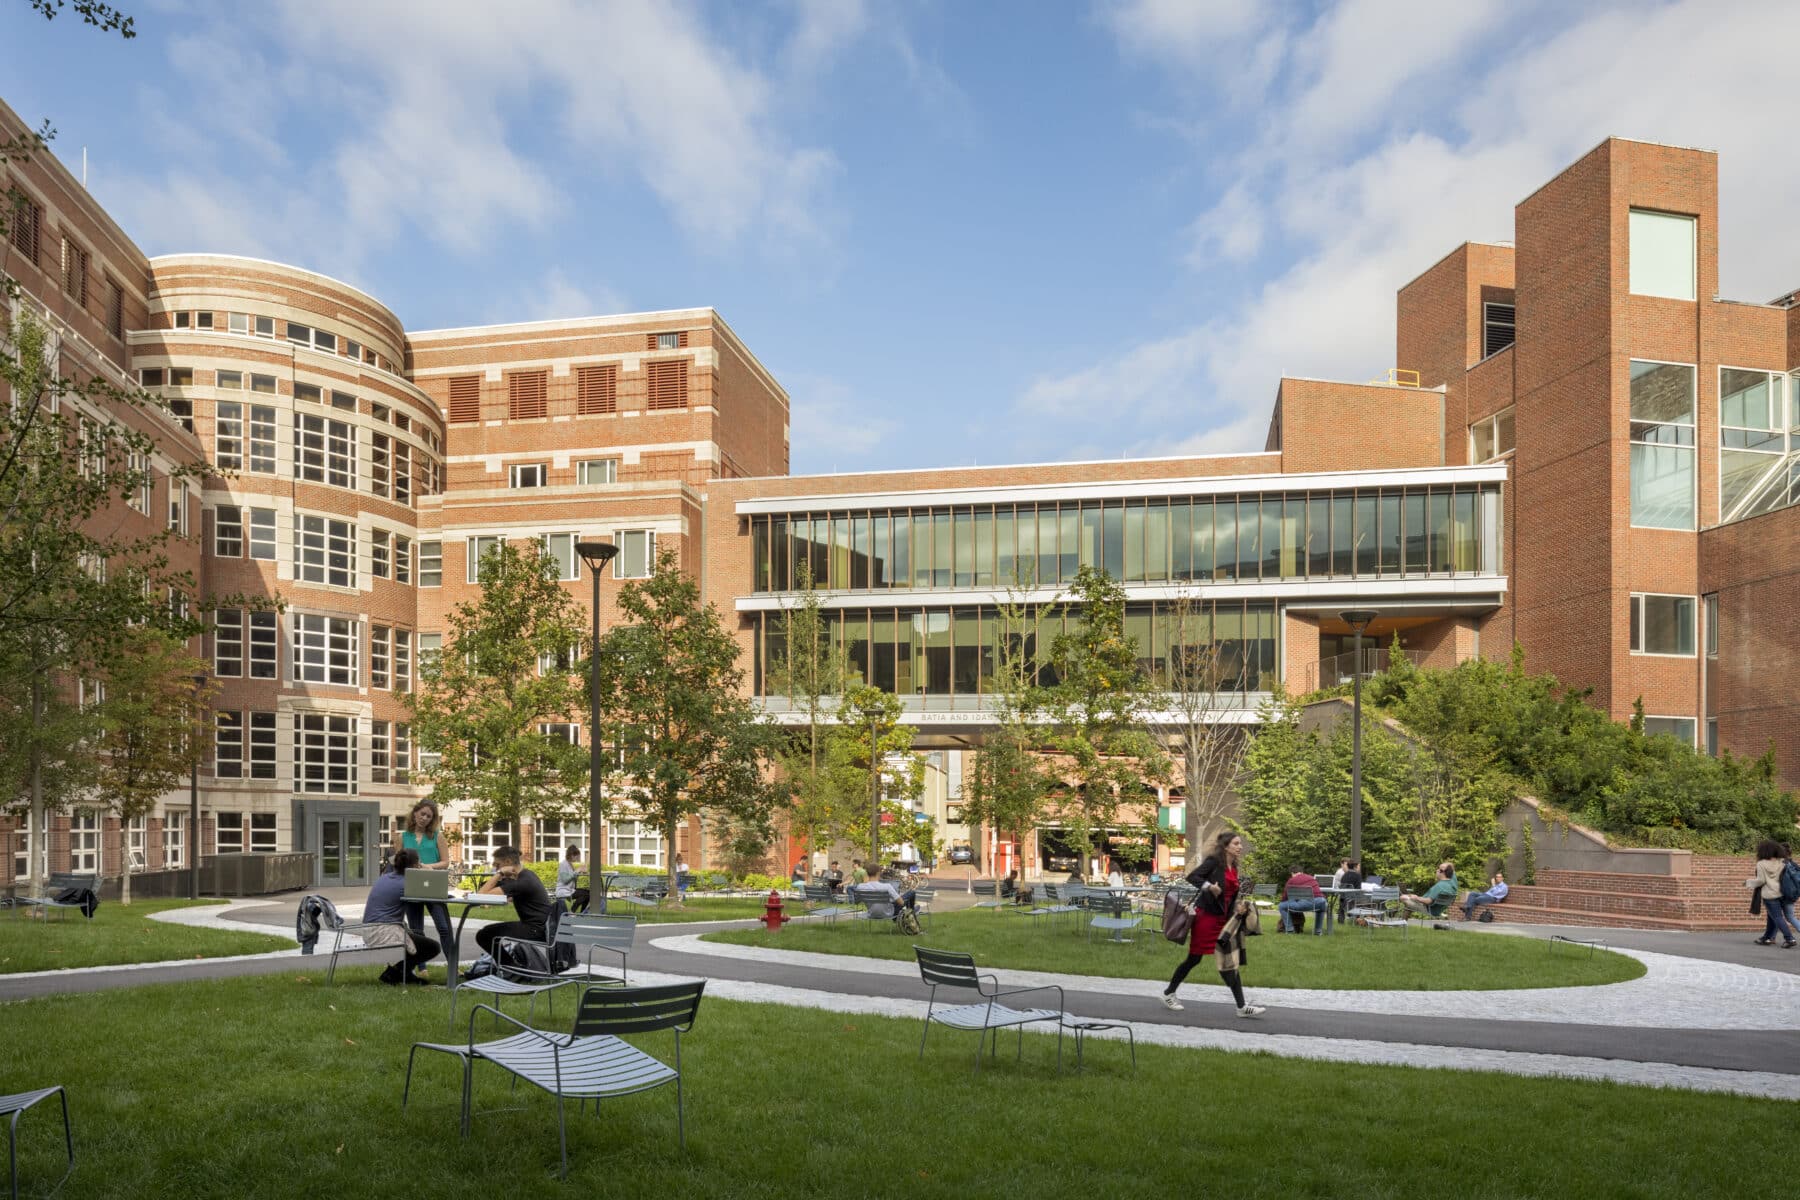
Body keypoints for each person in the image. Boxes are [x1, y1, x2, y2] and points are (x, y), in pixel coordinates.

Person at [1161, 831, 1265, 1017]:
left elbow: (1230, 894)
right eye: (1236, 843)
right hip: (1206, 918)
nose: (1240, 847)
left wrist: (1238, 907)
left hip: (1223, 920)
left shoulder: (1233, 867)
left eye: (1240, 843)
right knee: (1194, 958)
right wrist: (1209, 887)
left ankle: (1241, 1007)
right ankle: (1169, 993)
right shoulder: (1214, 862)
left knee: (1229, 961)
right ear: (1226, 846)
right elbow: (1192, 877)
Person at [364, 850, 439, 984]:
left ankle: (403, 974)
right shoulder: (407, 883)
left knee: (417, 941)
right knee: (432, 947)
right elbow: (433, 892)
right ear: (416, 866)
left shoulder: (385, 877)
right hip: (383, 931)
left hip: (370, 928)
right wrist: (429, 870)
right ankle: (395, 973)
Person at [396, 800, 454, 956]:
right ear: (415, 813)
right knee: (416, 930)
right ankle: (422, 969)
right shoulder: (403, 837)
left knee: (444, 927)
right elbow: (397, 863)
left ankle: (453, 967)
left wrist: (430, 866)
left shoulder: (437, 836)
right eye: (423, 814)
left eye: (429, 816)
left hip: (433, 886)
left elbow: (446, 862)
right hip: (412, 886)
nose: (425, 818)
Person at [474, 845, 552, 957]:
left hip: (536, 930)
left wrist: (500, 873)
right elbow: (489, 897)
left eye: (497, 865)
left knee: (484, 934)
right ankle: (509, 966)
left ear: (508, 861)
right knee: (487, 933)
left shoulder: (522, 882)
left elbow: (480, 896)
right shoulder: (527, 875)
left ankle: (509, 967)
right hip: (541, 928)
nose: (496, 868)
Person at [1749, 839, 1797, 948]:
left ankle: (1790, 938)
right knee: (1772, 917)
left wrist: (1748, 882)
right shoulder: (1781, 862)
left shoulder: (1761, 864)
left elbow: (1761, 881)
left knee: (1777, 917)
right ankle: (1767, 937)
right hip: (1781, 892)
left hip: (1769, 894)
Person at [1276, 865, 1326, 935]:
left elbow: (1285, 897)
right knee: (1321, 909)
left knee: (1282, 906)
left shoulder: (1292, 880)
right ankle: (1318, 931)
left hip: (1306, 903)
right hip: (1321, 901)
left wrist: (1287, 901)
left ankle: (1289, 929)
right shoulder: (1311, 878)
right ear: (1302, 872)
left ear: (1292, 873)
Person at [554, 844, 589, 912]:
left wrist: (580, 872)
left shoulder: (570, 864)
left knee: (589, 893)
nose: (578, 858)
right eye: (577, 856)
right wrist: (576, 871)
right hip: (563, 891)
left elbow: (572, 878)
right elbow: (565, 880)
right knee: (585, 894)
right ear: (572, 855)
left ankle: (582, 914)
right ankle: (572, 912)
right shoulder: (563, 864)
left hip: (570, 889)